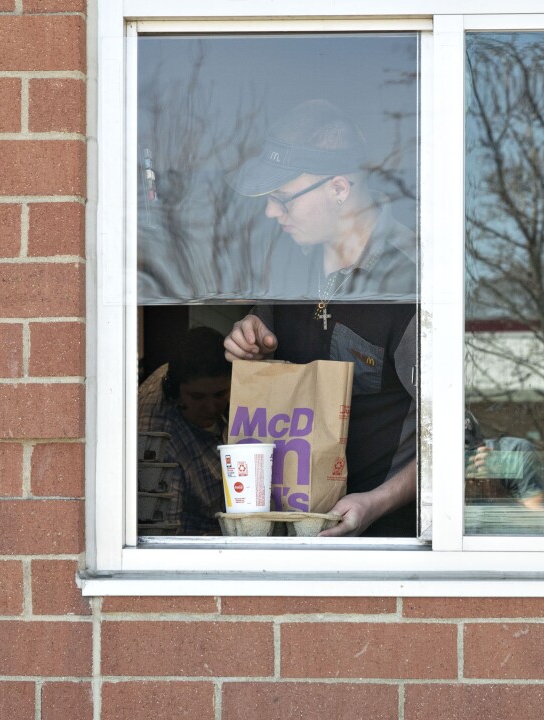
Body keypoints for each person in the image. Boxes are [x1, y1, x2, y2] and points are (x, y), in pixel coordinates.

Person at [224, 100, 418, 537]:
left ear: (338, 189)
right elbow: (262, 362)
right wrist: (246, 343)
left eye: (281, 198)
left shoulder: (412, 282)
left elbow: (453, 434)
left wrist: (376, 502)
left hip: (386, 544)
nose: (272, 213)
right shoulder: (286, 267)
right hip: (285, 529)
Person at [139, 326, 231, 535]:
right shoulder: (155, 437)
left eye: (220, 394)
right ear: (174, 391)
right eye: (197, 397)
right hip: (192, 542)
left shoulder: (184, 370)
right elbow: (161, 538)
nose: (211, 407)